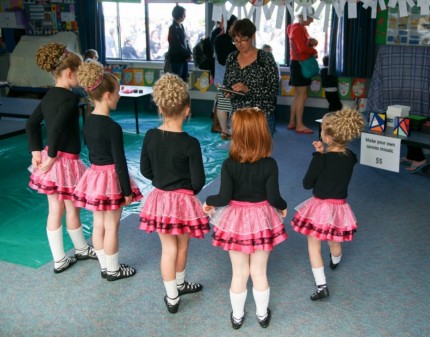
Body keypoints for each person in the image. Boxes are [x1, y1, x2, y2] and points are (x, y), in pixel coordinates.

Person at [203, 108, 288, 330]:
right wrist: (283, 207)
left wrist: (208, 200)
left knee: (239, 273)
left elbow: (223, 197)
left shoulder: (229, 165)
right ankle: (262, 315)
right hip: (262, 219)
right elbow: (274, 197)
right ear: (263, 133)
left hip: (236, 222)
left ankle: (237, 316)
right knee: (259, 272)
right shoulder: (270, 164)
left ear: (237, 134)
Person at [139, 73, 210, 313]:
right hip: (184, 201)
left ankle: (172, 297)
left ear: (159, 106)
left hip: (160, 200)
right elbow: (198, 180)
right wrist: (186, 193)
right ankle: (180, 284)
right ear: (187, 109)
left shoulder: (150, 136)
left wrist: (161, 183)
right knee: (182, 247)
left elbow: (145, 170)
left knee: (167, 249)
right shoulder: (191, 144)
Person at [26, 42, 97, 274]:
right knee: (71, 209)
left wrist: (37, 152)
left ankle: (60, 258)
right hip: (63, 162)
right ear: (69, 73)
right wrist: (51, 157)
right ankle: (80, 249)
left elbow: (32, 124)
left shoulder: (48, 96)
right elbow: (55, 129)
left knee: (55, 209)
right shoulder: (70, 99)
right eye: (78, 73)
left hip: (52, 159)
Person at [74, 62, 142, 281]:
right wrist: (126, 191)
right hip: (111, 179)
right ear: (106, 95)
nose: (119, 97)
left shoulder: (88, 122)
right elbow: (120, 162)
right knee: (112, 226)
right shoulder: (113, 127)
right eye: (117, 93)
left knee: (99, 224)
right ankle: (113, 270)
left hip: (94, 177)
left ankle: (105, 266)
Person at [290, 108, 365, 301]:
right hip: (340, 208)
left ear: (327, 138)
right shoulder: (351, 157)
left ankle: (322, 286)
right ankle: (335, 260)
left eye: (322, 129)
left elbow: (307, 184)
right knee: (334, 241)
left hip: (319, 208)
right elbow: (337, 164)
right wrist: (324, 153)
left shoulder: (321, 160)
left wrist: (318, 156)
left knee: (314, 247)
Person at [223, 19, 280, 136]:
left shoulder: (265, 58)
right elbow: (227, 82)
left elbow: (273, 90)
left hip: (260, 117)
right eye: (236, 41)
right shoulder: (231, 58)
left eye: (243, 40)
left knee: (261, 153)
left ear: (253, 36)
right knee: (239, 153)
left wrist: (248, 89)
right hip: (238, 116)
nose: (239, 44)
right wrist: (228, 91)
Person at [287, 10, 318, 134]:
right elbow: (302, 49)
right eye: (311, 18)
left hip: (297, 64)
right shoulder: (298, 29)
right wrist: (313, 51)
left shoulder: (297, 28)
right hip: (300, 65)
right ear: (305, 17)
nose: (312, 20)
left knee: (297, 96)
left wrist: (310, 43)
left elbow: (302, 45)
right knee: (302, 96)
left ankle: (292, 122)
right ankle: (299, 125)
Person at [213, 15, 238, 139]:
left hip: (224, 77)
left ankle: (225, 130)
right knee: (228, 104)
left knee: (225, 104)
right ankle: (226, 130)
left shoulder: (221, 38)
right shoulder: (224, 39)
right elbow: (223, 60)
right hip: (225, 77)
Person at [167, 5, 192, 82]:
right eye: (184, 14)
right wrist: (187, 54)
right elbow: (177, 46)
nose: (185, 16)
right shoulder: (173, 28)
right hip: (176, 60)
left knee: (183, 81)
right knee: (177, 83)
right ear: (179, 15)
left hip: (183, 59)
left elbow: (185, 41)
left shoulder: (181, 26)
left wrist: (189, 53)